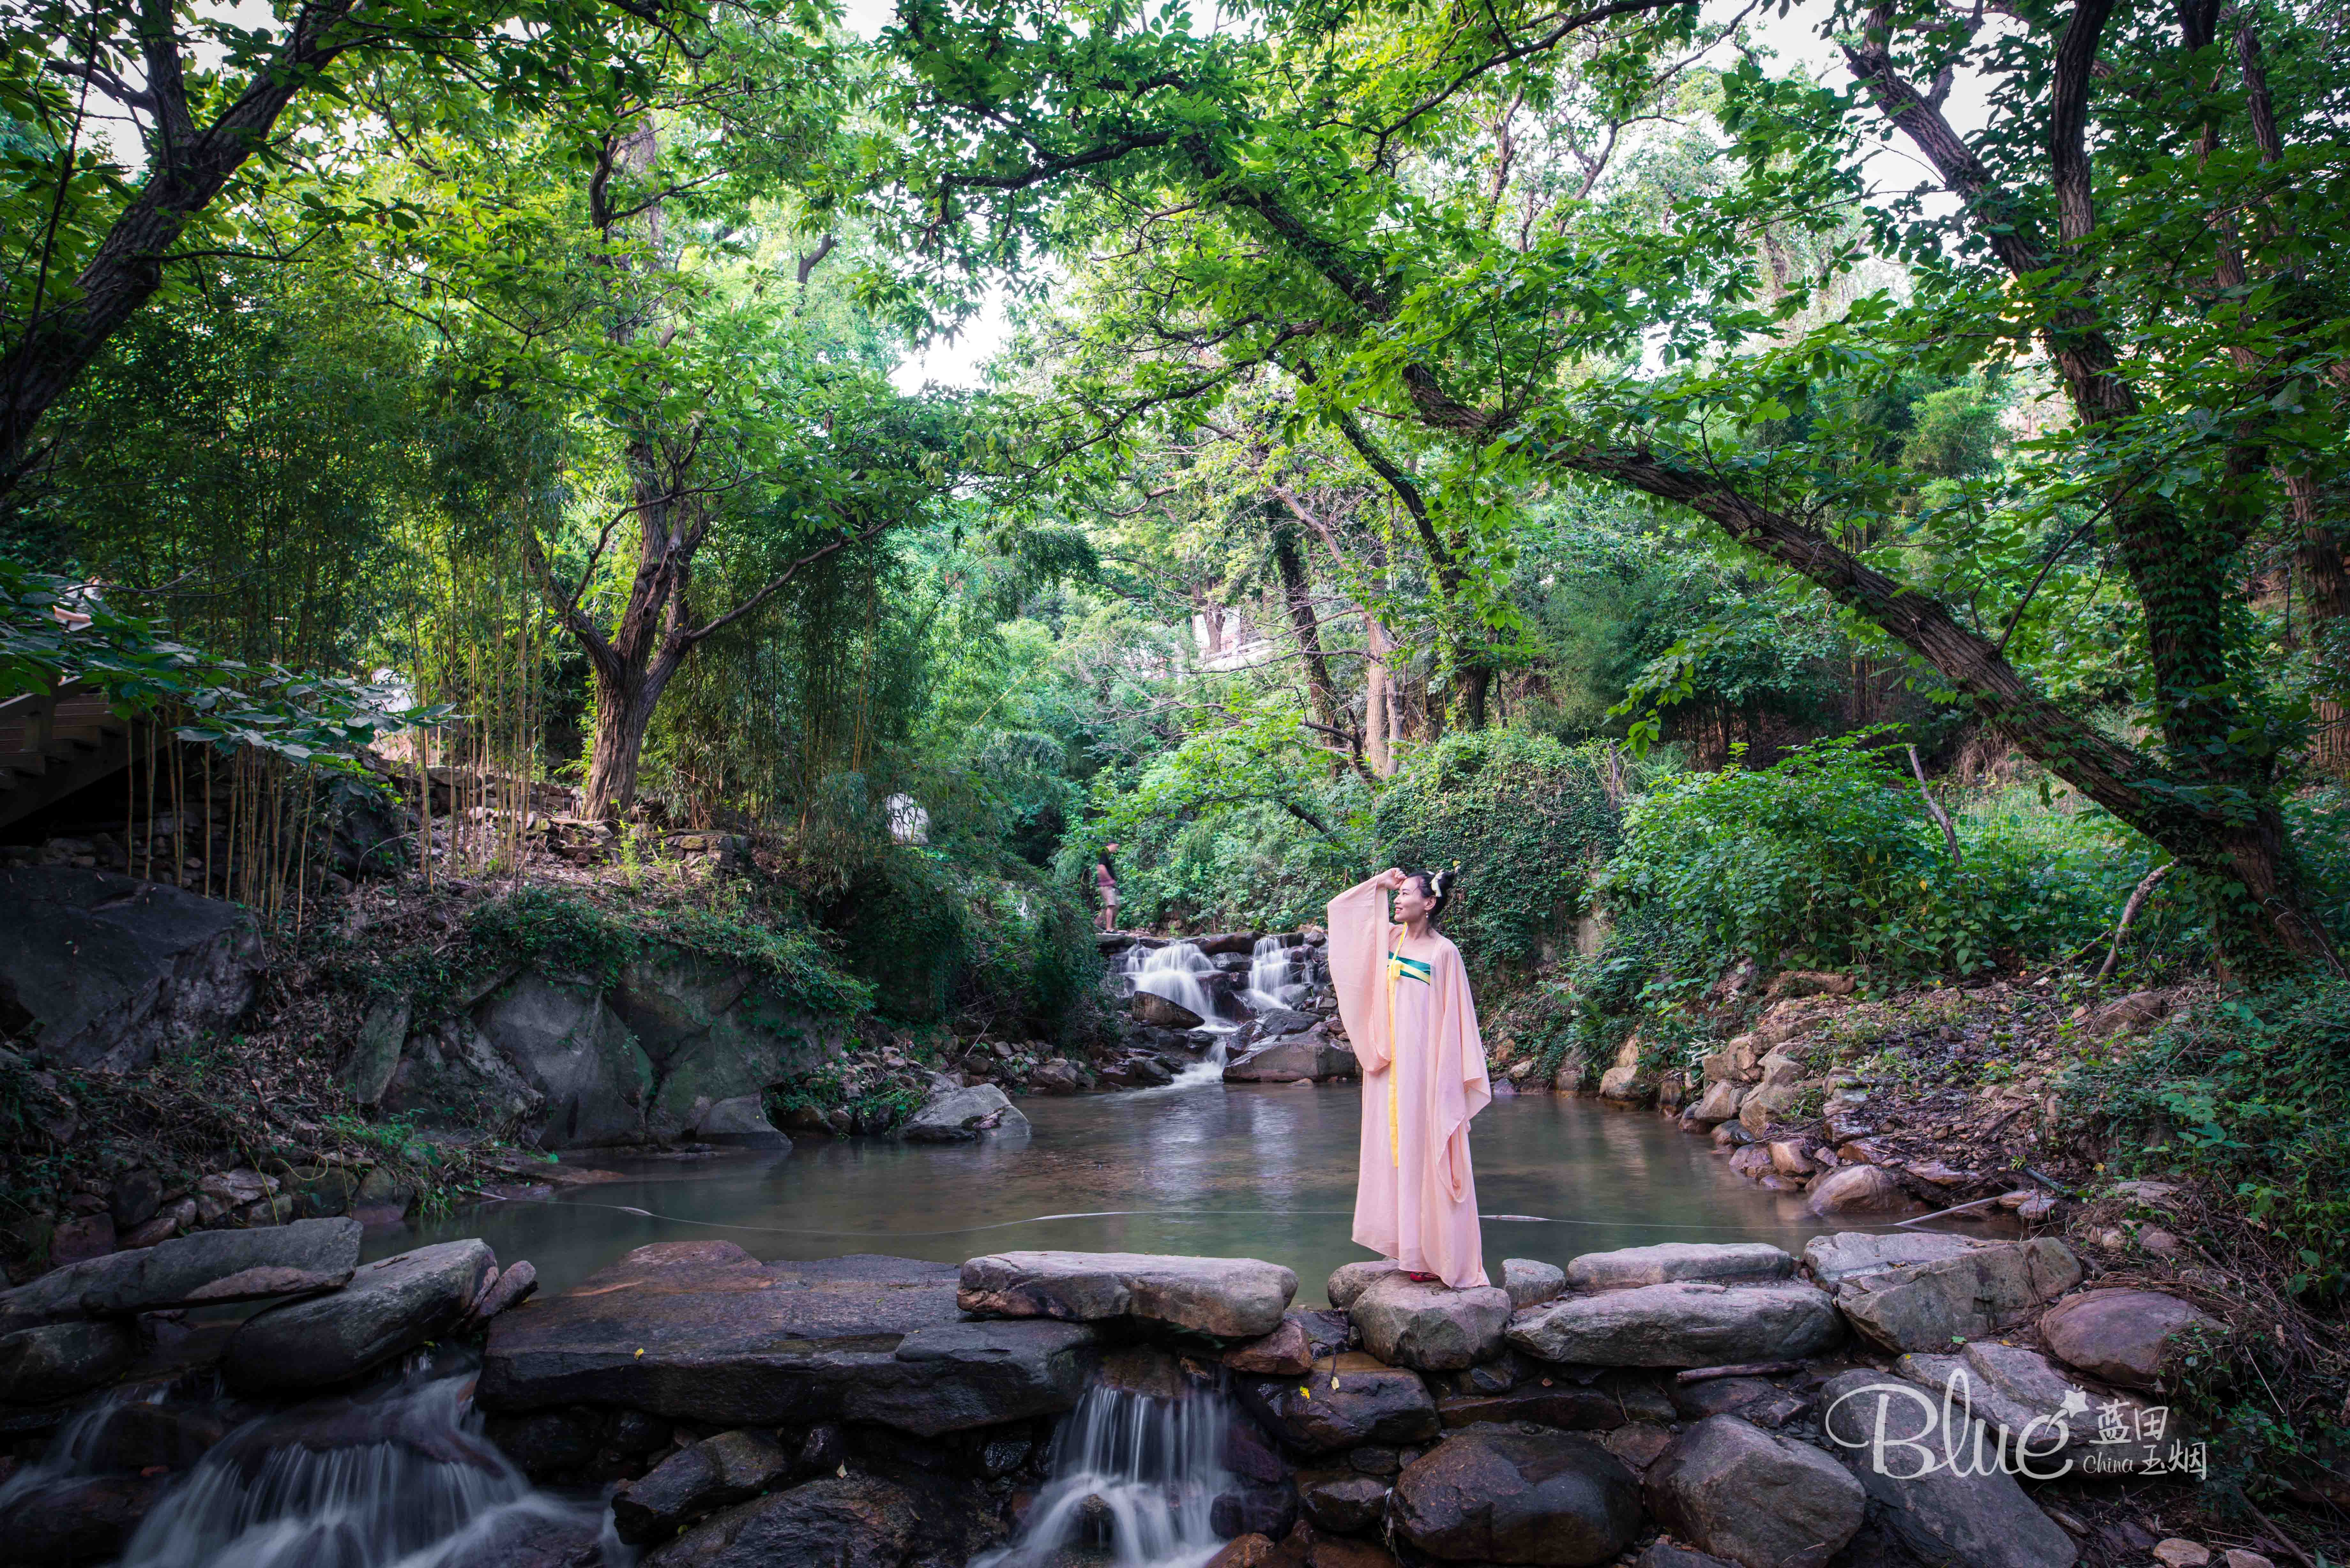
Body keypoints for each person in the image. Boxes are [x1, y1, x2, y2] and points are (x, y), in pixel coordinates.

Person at [1326, 865, 1491, 1288]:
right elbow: (1342, 915)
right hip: (1390, 1068)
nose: (1398, 901)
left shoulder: (1444, 954)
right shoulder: (1392, 942)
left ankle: (1440, 1252)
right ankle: (1411, 1249)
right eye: (1396, 896)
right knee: (1397, 1153)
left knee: (1426, 1149)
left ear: (1430, 903)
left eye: (1405, 895)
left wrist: (1447, 1079)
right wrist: (1380, 883)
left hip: (1427, 1071)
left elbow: (1456, 1022)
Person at [1094, 842, 1120, 933]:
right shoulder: (1104, 853)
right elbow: (1101, 868)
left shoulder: (1105, 854)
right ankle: (1109, 929)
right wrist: (1109, 881)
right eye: (1116, 847)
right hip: (1107, 886)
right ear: (1112, 845)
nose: (1116, 850)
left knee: (1110, 907)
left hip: (1105, 885)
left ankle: (1096, 925)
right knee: (1111, 906)